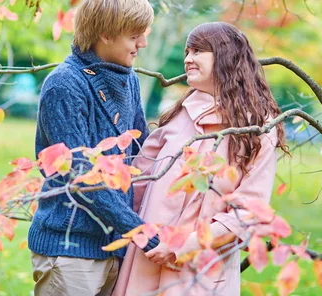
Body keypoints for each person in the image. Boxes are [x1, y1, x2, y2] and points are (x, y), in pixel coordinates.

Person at [113, 22, 287, 296]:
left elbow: (248, 213)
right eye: (187, 51)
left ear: (226, 57)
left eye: (198, 51)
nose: (187, 59)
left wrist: (184, 245)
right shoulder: (179, 115)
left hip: (201, 273)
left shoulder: (257, 130)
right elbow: (138, 182)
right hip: (145, 261)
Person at [28, 0, 160, 296]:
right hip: (70, 249)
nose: (142, 42)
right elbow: (83, 179)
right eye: (134, 35)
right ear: (105, 34)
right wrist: (139, 231)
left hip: (114, 247)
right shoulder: (64, 85)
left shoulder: (127, 79)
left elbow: (142, 148)